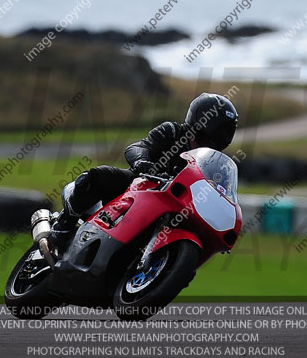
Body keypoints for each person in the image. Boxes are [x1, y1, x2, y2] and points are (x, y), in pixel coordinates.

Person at [48, 93, 238, 249]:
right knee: (97, 176)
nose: (220, 135)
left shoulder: (215, 164)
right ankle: (63, 225)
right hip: (140, 185)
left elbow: (221, 191)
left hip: (178, 205)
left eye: (225, 131)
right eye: (218, 128)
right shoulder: (172, 132)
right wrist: (142, 163)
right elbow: (138, 147)